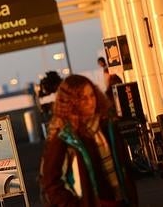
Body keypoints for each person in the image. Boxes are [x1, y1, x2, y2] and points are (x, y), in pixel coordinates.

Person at [39, 74, 138, 207]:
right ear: (70, 102)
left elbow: (124, 166)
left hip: (121, 201)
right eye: (83, 98)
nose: (91, 102)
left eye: (92, 95)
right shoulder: (64, 137)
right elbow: (50, 183)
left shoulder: (107, 125)